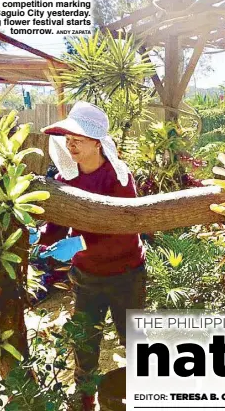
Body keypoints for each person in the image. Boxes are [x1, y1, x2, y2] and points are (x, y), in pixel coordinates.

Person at [39, 101, 146, 410]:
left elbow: (122, 229)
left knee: (133, 339)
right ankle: (84, 397)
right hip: (87, 276)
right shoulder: (66, 178)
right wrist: (40, 238)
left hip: (126, 273)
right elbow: (57, 224)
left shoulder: (118, 178)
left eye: (78, 139)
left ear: (97, 143)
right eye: (68, 138)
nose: (70, 144)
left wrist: (79, 244)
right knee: (84, 341)